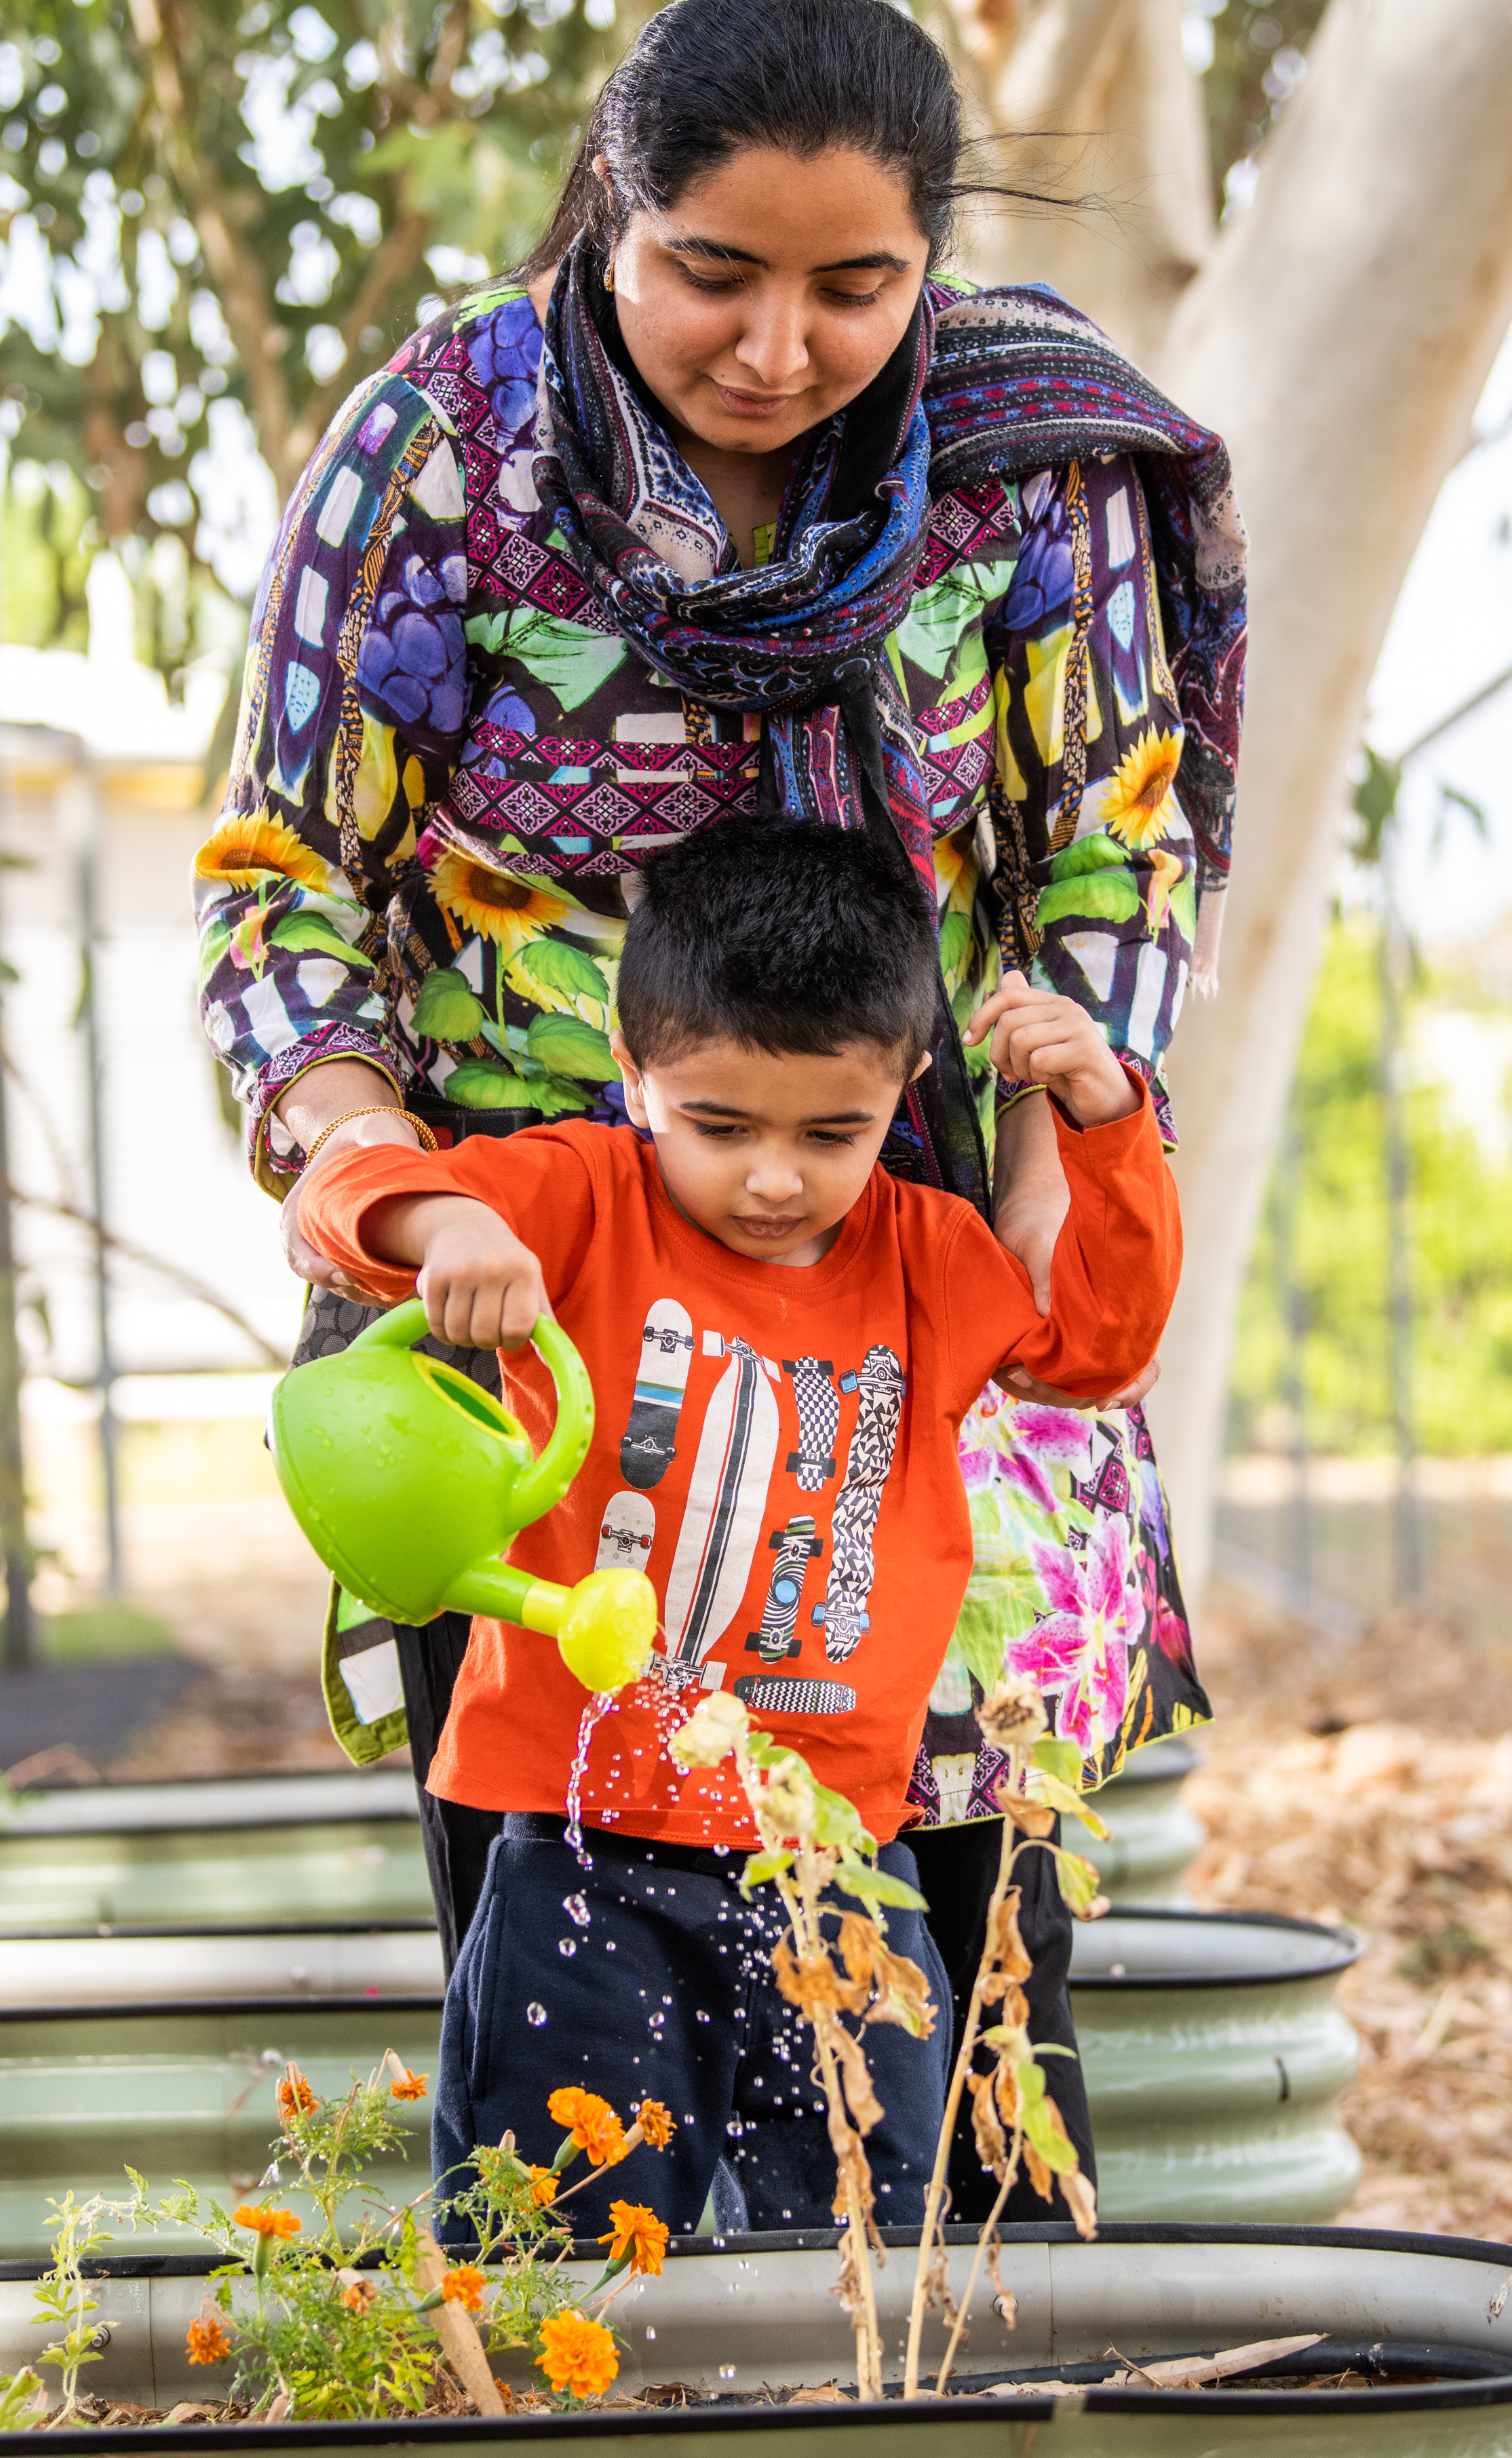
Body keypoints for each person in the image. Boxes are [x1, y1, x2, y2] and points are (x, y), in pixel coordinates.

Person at [193, 0, 1243, 2212]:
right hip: (531, 1321)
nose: (781, 347)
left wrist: (1076, 1096)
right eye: (715, 275)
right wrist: (384, 1181)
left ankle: (965, 2354)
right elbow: (285, 884)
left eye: (857, 285)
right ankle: (604, 2348)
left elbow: (1118, 837)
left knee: (963, 1968)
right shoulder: (429, 462)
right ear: (609, 211)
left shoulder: (1027, 464)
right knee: (571, 1948)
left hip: (917, 1290)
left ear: (930, 261)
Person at [296, 820, 1178, 2233]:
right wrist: (436, 1223)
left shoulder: (930, 1255)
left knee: (855, 2236)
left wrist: (1103, 1120)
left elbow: (1094, 1344)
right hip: (581, 1842)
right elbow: (336, 1199)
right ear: (633, 1074)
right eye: (720, 1127)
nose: (775, 1178)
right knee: (554, 2233)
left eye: (830, 1133)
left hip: (837, 1852)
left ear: (899, 1086)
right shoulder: (579, 1197)